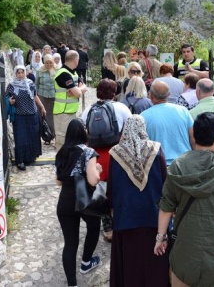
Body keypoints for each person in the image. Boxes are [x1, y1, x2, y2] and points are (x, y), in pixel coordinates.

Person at [154, 112, 214, 286]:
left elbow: (166, 206)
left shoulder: (178, 165)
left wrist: (160, 238)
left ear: (194, 135)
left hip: (186, 254)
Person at [108, 115, 169, 286]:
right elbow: (165, 183)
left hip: (126, 217)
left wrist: (112, 209)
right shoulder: (156, 149)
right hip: (153, 216)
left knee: (130, 262)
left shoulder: (116, 152)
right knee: (154, 262)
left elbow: (111, 189)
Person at [81, 79, 132, 242]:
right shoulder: (122, 108)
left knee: (101, 191)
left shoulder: (88, 109)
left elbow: (84, 132)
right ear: (114, 92)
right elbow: (130, 131)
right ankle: (120, 223)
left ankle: (108, 227)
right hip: (116, 154)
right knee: (118, 189)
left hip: (97, 156)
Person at [55, 118, 103, 287]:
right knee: (94, 224)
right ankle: (86, 262)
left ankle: (72, 284)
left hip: (65, 201)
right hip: (83, 200)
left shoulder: (61, 152)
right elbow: (92, 181)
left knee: (70, 243)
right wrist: (97, 170)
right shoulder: (88, 152)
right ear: (84, 133)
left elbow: (59, 182)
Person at [141, 81, 194, 165]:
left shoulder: (143, 116)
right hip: (184, 163)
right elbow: (193, 137)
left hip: (160, 166)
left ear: (150, 95)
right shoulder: (183, 111)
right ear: (169, 94)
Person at [6, 65, 45, 170]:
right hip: (19, 116)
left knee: (32, 137)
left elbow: (35, 96)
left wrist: (41, 107)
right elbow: (6, 97)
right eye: (18, 72)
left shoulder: (30, 83)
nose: (20, 75)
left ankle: (30, 157)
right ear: (15, 73)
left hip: (32, 114)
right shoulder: (11, 86)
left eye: (22, 72)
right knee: (20, 138)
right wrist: (9, 101)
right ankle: (20, 161)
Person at [53, 50, 88, 150]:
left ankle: (68, 163)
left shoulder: (73, 73)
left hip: (71, 112)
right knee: (62, 142)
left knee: (71, 141)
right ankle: (61, 165)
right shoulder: (63, 74)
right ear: (76, 60)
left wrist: (77, 90)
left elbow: (84, 87)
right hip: (62, 113)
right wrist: (77, 91)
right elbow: (78, 93)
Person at [35, 54, 57, 144]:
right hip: (42, 96)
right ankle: (46, 137)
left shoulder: (56, 70)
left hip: (53, 96)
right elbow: (36, 84)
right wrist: (35, 96)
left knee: (52, 116)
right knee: (43, 116)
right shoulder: (39, 71)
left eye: (50, 63)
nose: (48, 65)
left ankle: (54, 135)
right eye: (46, 63)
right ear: (44, 62)